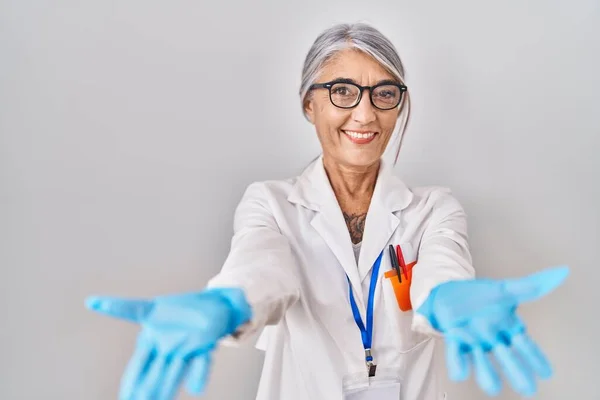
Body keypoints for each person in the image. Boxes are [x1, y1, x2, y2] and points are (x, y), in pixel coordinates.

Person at [85, 23, 569, 400]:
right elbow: (263, 267)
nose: (364, 114)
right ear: (308, 105)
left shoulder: (433, 209)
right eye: (342, 91)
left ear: (399, 107)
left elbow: (442, 268)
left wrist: (449, 298)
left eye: (384, 94)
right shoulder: (272, 203)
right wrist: (231, 301)